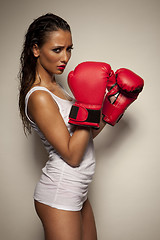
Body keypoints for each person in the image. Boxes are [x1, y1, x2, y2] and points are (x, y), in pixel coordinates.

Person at [19, 13, 144, 240]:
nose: (65, 57)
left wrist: (111, 106)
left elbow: (82, 137)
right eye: (57, 49)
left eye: (69, 49)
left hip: (78, 189)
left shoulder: (60, 90)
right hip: (60, 191)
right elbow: (72, 155)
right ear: (36, 49)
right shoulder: (39, 96)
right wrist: (89, 103)